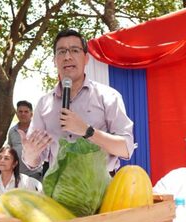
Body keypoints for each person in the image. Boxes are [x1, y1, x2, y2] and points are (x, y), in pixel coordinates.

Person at [21, 29, 135, 174]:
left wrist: (87, 131)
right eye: (61, 51)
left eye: (74, 50)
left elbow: (125, 149)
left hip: (101, 190)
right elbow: (34, 162)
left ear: (86, 58)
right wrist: (30, 154)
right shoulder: (44, 104)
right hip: (58, 190)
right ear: (55, 60)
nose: (67, 56)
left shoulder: (108, 96)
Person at [7, 100, 43, 180]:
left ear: (31, 114)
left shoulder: (38, 130)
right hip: (17, 174)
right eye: (20, 111)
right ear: (16, 114)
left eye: (26, 111)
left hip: (34, 174)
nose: (23, 114)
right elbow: (10, 149)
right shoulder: (12, 131)